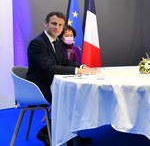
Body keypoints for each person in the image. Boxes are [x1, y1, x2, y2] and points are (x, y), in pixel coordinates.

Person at [26, 11, 98, 146]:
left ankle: (73, 135)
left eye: (60, 25)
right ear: (46, 24)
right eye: (53, 24)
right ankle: (46, 132)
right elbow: (50, 68)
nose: (57, 28)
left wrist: (82, 66)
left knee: (79, 95)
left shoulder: (57, 42)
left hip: (52, 83)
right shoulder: (37, 43)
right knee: (71, 98)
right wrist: (78, 71)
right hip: (40, 87)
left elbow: (65, 62)